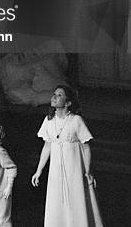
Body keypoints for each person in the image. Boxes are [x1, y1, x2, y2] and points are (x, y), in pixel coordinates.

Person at [31, 85, 104, 227]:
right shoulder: (49, 120)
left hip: (74, 169)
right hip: (56, 172)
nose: (54, 97)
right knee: (57, 201)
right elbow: (47, 147)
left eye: (59, 95)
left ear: (68, 102)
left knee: (75, 200)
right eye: (54, 94)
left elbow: (86, 147)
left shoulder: (76, 120)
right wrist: (39, 170)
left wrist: (87, 171)